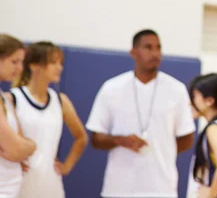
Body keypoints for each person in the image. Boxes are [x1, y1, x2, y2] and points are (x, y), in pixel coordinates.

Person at [86, 29, 196, 198]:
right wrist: (120, 140)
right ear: (133, 52)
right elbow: (96, 138)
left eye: (158, 48)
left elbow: (187, 138)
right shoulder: (111, 88)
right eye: (148, 47)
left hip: (162, 189)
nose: (155, 53)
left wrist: (163, 149)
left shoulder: (177, 90)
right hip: (119, 189)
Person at [11, 41, 88, 198]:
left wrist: (66, 166)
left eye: (61, 63)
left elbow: (81, 137)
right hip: (20, 183)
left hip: (51, 185)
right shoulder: (13, 98)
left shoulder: (60, 101)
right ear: (34, 65)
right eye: (53, 62)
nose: (59, 67)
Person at [0, 34, 36, 198]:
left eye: (21, 62)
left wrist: (28, 146)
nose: (20, 69)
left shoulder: (5, 98)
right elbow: (16, 148)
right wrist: (31, 146)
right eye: (14, 62)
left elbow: (21, 143)